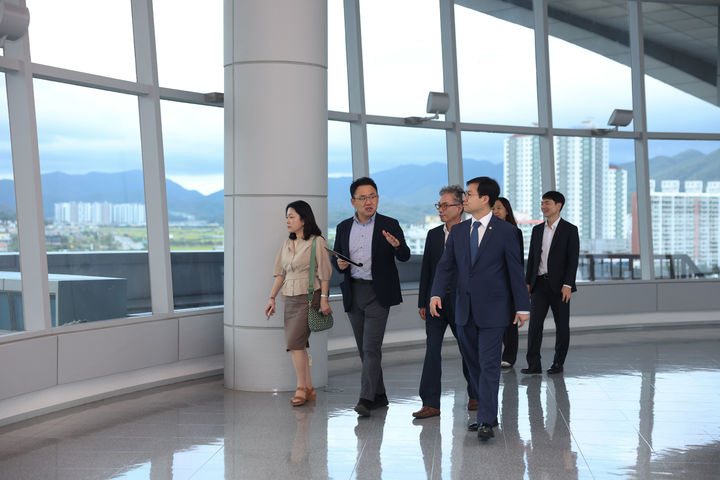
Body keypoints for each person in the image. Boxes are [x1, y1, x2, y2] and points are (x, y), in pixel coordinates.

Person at [429, 176, 530, 441]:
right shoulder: (459, 232)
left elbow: (515, 271)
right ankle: (488, 411)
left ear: (485, 199)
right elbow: (445, 266)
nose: (465, 198)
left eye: (469, 194)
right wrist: (436, 293)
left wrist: (523, 306)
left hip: (494, 310)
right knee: (473, 364)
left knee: (489, 365)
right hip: (463, 309)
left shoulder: (506, 232)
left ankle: (485, 419)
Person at [331, 177, 411, 417]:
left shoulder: (390, 224)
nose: (369, 201)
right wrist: (339, 265)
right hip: (354, 291)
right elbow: (337, 258)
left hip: (378, 293)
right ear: (353, 201)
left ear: (378, 198)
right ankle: (380, 395)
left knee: (370, 347)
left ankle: (365, 399)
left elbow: (405, 255)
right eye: (363, 197)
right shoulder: (344, 227)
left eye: (373, 196)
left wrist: (397, 246)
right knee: (364, 349)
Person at [413, 185, 477, 419]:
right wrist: (423, 301)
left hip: (462, 302)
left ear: (460, 208)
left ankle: (476, 394)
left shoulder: (471, 233)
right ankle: (430, 403)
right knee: (432, 350)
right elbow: (427, 271)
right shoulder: (433, 235)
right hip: (435, 303)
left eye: (445, 205)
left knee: (467, 349)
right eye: (438, 205)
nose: (440, 209)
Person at [265, 200, 333, 407]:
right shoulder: (287, 243)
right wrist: (272, 298)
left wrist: (324, 300)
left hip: (309, 297)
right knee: (298, 344)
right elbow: (280, 273)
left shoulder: (317, 242)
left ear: (304, 219)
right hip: (290, 297)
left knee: (295, 343)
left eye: (291, 216)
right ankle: (308, 388)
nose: (287, 220)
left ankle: (301, 388)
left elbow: (325, 274)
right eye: (287, 217)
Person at [521, 191, 580, 375]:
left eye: (547, 203)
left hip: (561, 287)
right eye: (542, 203)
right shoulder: (537, 230)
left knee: (562, 326)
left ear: (558, 206)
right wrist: (528, 283)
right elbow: (532, 259)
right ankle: (534, 364)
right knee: (534, 326)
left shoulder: (570, 230)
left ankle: (558, 363)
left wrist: (568, 285)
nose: (543, 206)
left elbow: (573, 260)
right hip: (539, 284)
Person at [492, 197, 524, 369]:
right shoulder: (487, 231)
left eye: (499, 208)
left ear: (507, 211)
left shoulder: (514, 232)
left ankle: (509, 356)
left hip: (509, 283)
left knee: (510, 321)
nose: (495, 211)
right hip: (491, 284)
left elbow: (518, 262)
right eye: (493, 208)